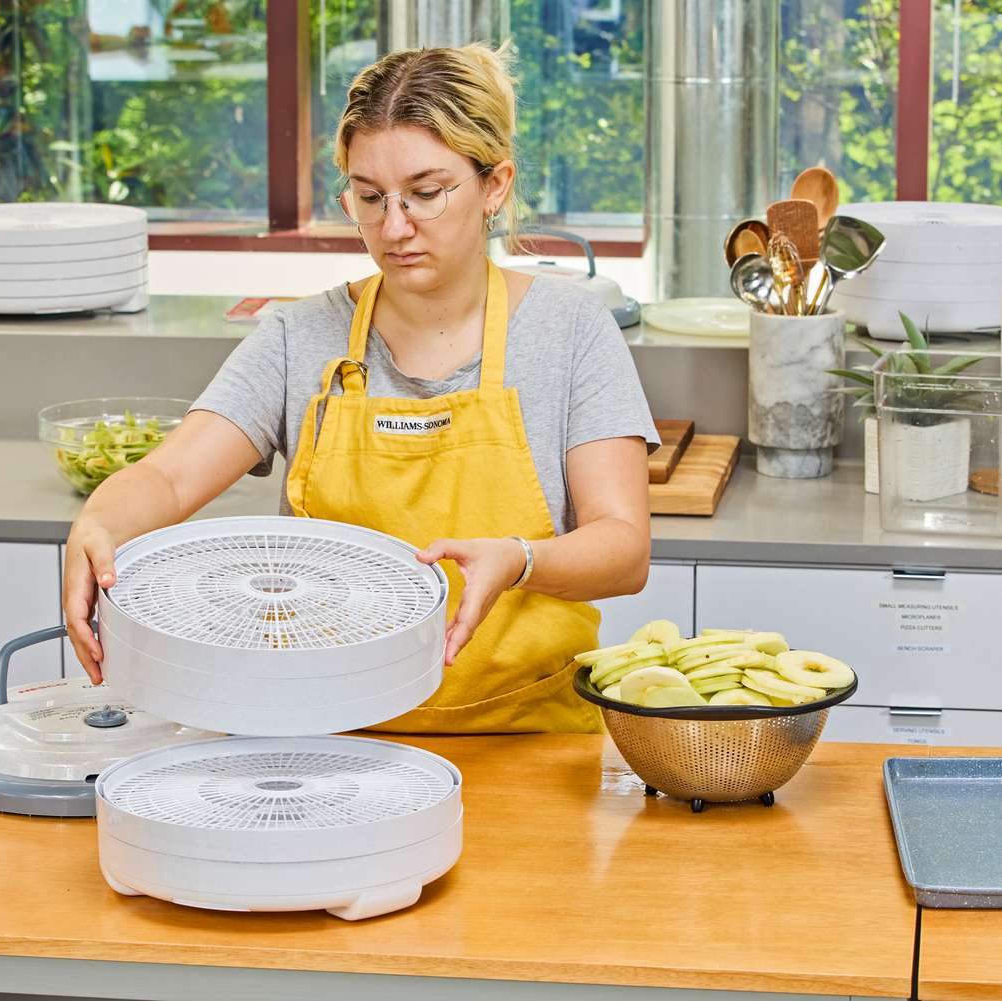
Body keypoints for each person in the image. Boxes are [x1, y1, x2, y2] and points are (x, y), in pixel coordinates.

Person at [64, 43, 658, 733]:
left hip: (527, 739)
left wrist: (520, 560)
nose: (394, 227)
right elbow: (168, 479)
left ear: (495, 185)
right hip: (321, 734)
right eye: (369, 198)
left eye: (427, 193)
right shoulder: (300, 336)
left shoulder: (571, 329)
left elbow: (624, 547)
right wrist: (100, 523)